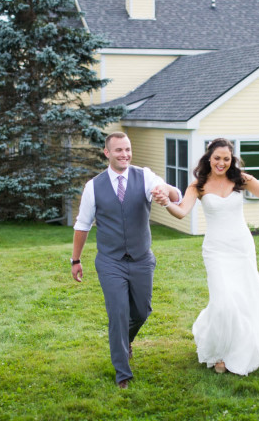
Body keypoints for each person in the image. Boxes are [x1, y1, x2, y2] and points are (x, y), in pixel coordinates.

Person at [155, 138, 259, 375]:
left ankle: (238, 350)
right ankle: (218, 353)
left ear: (232, 160)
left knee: (243, 299)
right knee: (223, 302)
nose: (221, 163)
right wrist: (166, 202)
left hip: (241, 248)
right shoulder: (198, 185)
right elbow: (180, 211)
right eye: (217, 158)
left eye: (226, 159)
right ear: (209, 158)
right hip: (216, 251)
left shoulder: (241, 179)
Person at [71, 132, 181, 389]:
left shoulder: (144, 177)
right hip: (110, 261)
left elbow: (174, 195)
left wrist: (165, 190)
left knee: (142, 311)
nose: (125, 154)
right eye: (119, 150)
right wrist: (75, 260)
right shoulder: (93, 187)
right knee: (118, 313)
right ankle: (123, 373)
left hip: (142, 258)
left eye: (128, 149)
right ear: (107, 153)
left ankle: (124, 340)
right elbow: (82, 225)